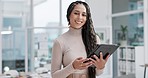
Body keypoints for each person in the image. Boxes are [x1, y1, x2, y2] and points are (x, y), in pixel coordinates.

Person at [51, 1, 110, 78]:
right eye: (76, 13)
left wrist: (100, 66)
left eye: (84, 15)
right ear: (69, 15)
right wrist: (72, 67)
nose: (80, 17)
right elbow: (54, 76)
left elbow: (98, 73)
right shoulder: (59, 42)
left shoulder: (94, 39)